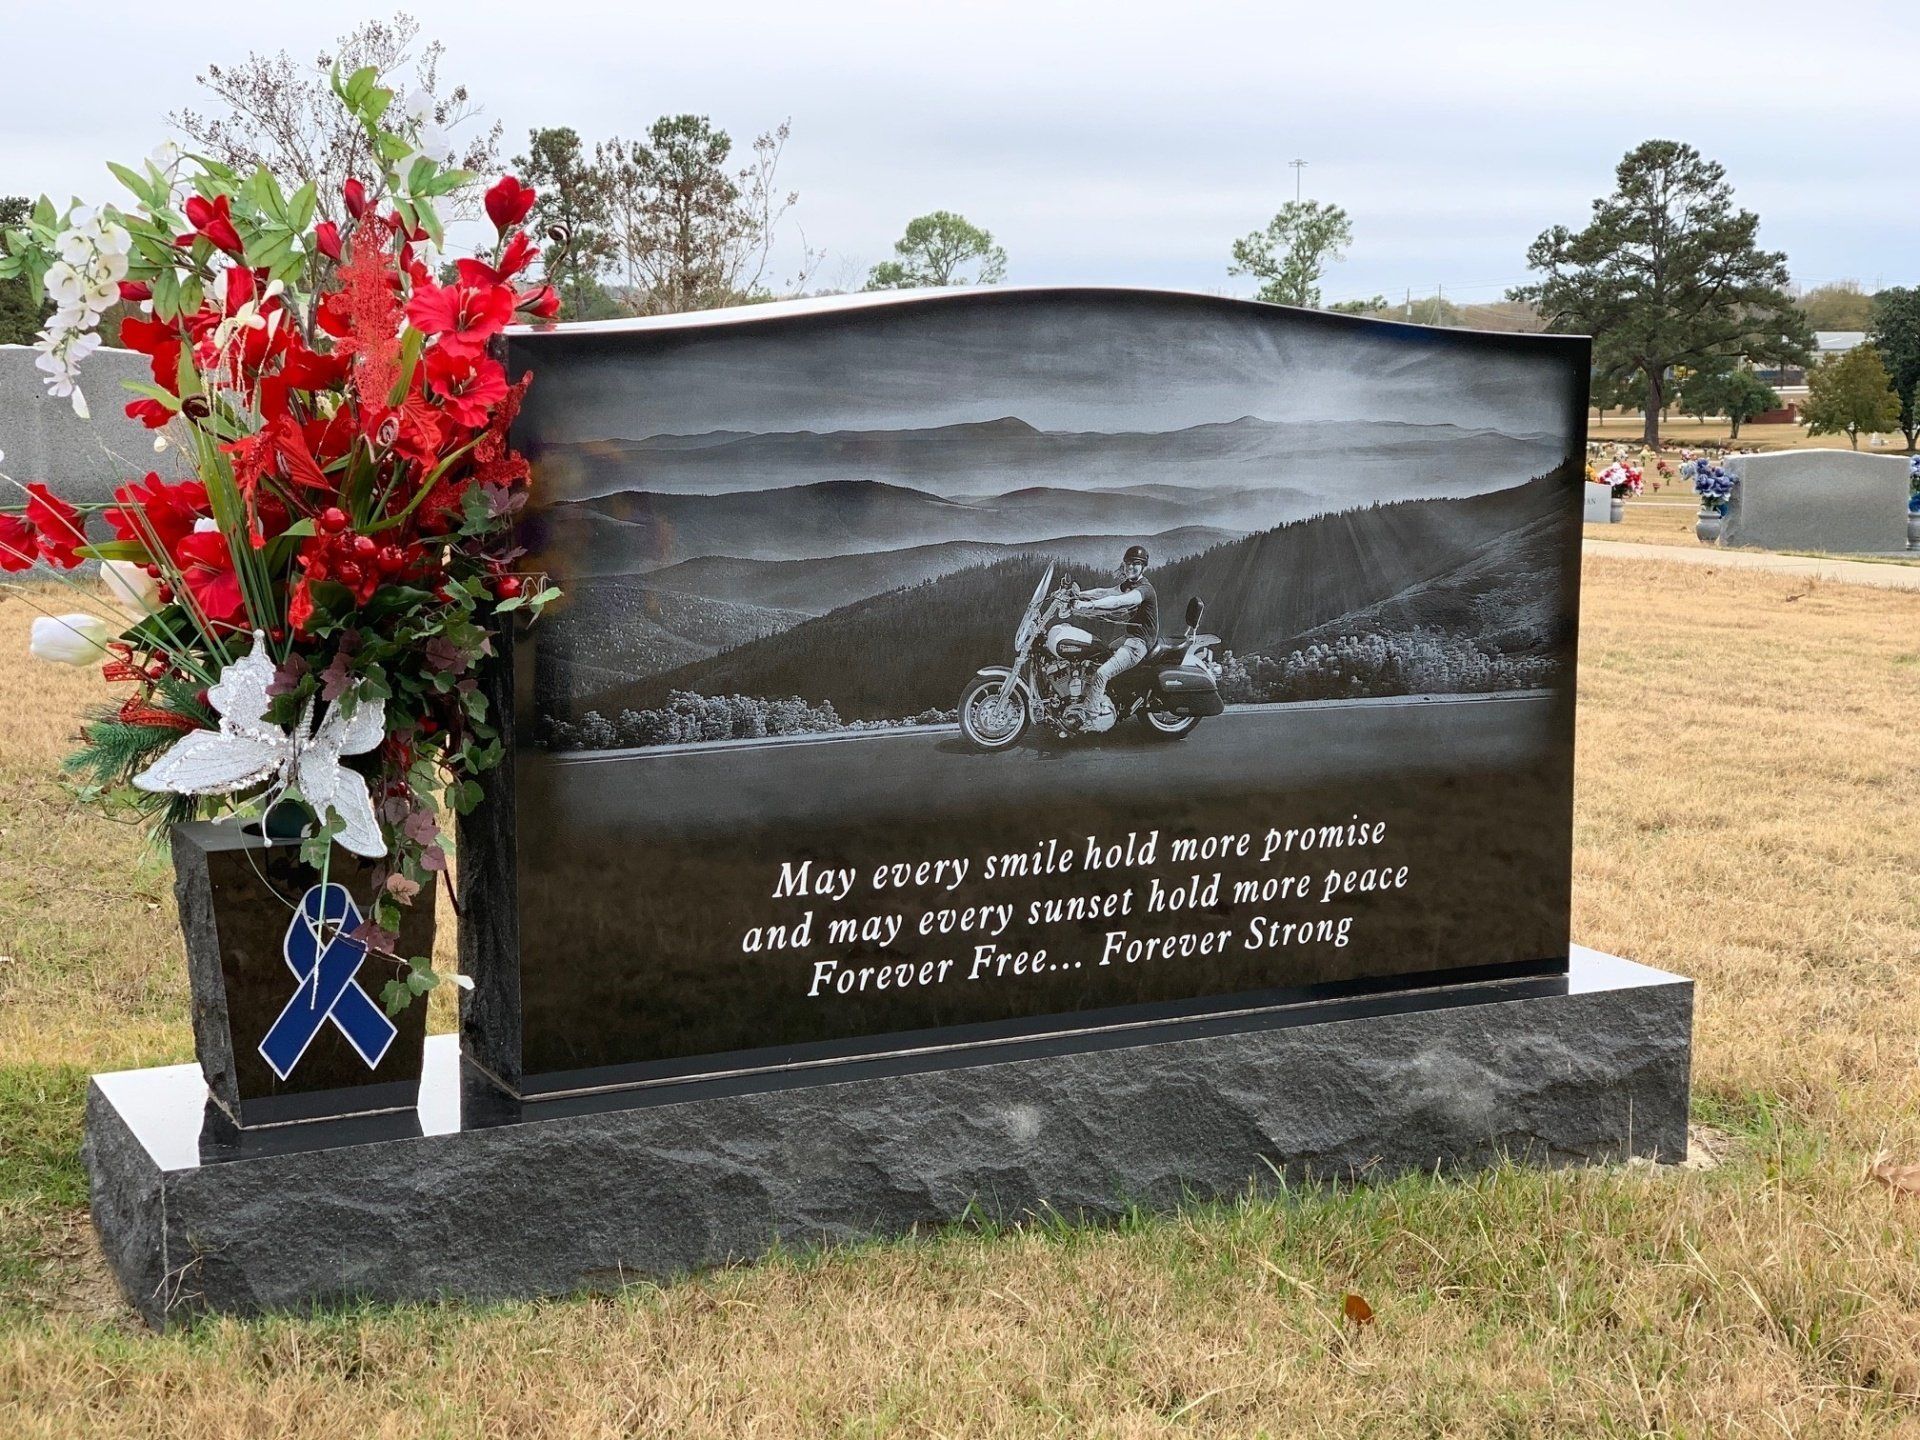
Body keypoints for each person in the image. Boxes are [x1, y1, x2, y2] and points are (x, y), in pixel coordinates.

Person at [1066, 543, 1159, 727]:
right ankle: (1100, 698)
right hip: (1129, 639)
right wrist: (1079, 595)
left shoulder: (1144, 589)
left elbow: (1118, 601)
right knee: (1097, 657)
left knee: (1101, 673)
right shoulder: (1129, 584)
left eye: (1136, 563)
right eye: (1128, 563)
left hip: (1139, 644)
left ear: (1143, 566)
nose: (1130, 566)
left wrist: (1088, 605)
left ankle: (1090, 717)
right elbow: (1104, 592)